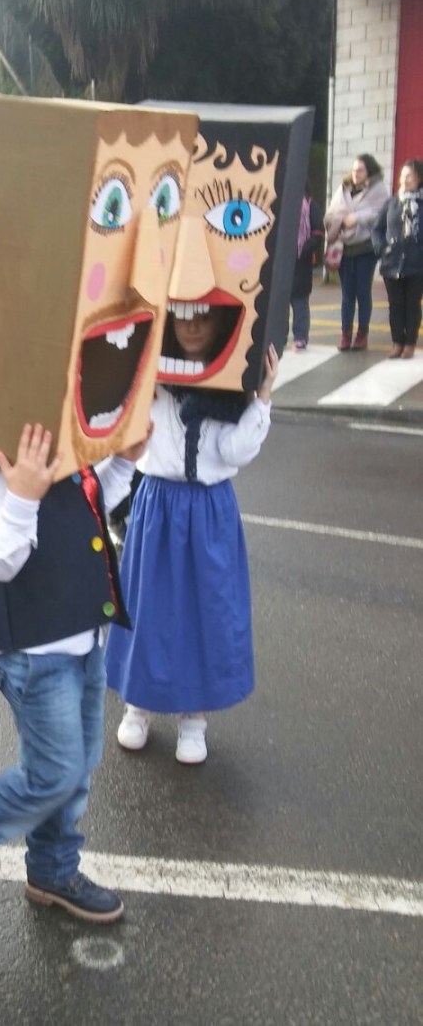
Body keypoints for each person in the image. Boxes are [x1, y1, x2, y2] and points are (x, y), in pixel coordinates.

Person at [0, 422, 146, 923]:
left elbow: (88, 507)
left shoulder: (61, 444)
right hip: (34, 652)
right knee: (54, 773)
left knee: (77, 767)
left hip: (83, 637)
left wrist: (123, 461)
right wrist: (24, 496)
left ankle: (52, 869)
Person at [105, 312, 279, 765]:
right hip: (157, 504)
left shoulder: (229, 382)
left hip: (208, 509)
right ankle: (139, 705)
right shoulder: (153, 373)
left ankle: (193, 718)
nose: (193, 327)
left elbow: (234, 450)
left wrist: (261, 396)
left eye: (205, 318)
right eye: (184, 317)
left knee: (205, 612)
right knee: (148, 606)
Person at [324, 154, 389, 351]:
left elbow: (381, 214)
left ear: (369, 171)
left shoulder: (378, 190)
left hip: (365, 249)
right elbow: (331, 212)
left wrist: (357, 218)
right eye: (354, 170)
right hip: (343, 248)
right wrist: (338, 219)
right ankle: (345, 334)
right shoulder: (343, 188)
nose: (356, 174)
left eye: (360, 170)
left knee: (363, 292)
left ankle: (362, 334)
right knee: (347, 294)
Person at [372, 158, 423, 360]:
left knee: (412, 305)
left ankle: (409, 343)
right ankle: (397, 343)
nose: (404, 179)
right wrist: (381, 248)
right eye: (403, 176)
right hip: (392, 263)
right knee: (395, 305)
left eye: (409, 176)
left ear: (419, 179)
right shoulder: (391, 203)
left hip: (416, 265)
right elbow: (377, 229)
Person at [286, 184, 324, 351]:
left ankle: (300, 337)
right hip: (282, 260)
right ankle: (279, 337)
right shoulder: (281, 202)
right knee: (280, 301)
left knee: (299, 300)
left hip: (301, 261)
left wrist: (304, 249)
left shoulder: (311, 206)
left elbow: (318, 232)